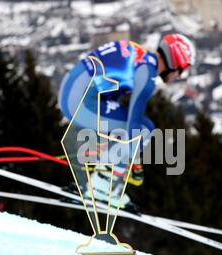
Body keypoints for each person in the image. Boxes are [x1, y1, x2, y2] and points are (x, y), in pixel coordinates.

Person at [58, 34, 195, 208]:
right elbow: (134, 123)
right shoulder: (147, 76)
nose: (180, 75)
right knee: (145, 129)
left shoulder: (140, 57)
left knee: (135, 132)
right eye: (182, 69)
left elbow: (109, 97)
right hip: (79, 101)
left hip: (73, 92)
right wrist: (132, 160)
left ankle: (102, 180)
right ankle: (101, 185)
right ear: (174, 62)